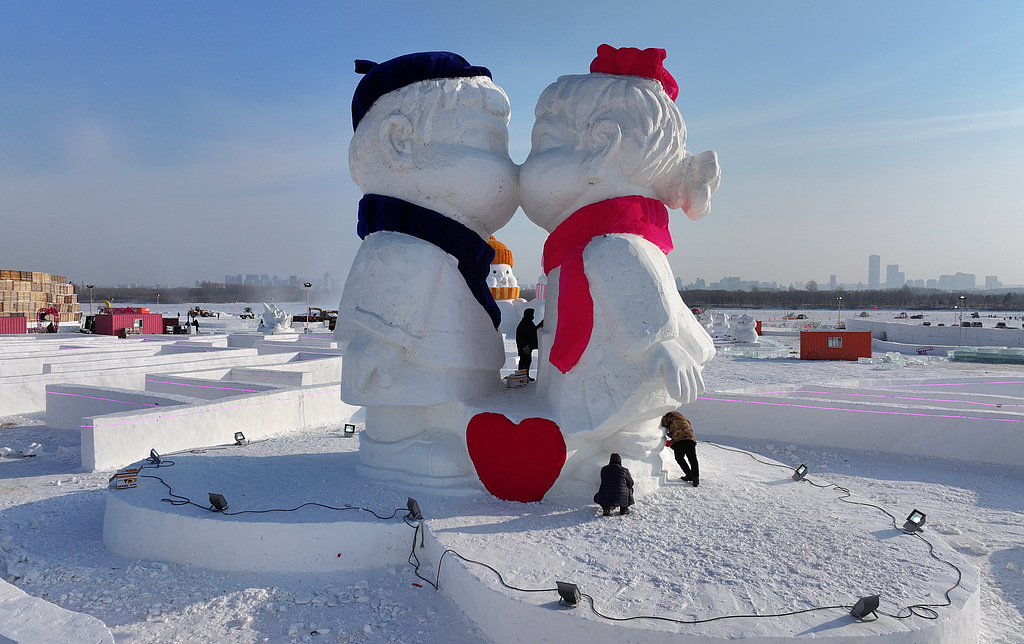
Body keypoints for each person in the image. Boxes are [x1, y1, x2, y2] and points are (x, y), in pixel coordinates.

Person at [662, 411, 698, 486]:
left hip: (680, 439)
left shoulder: (670, 415)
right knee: (692, 458)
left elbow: (664, 423)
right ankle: (695, 478)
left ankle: (689, 474)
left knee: (679, 458)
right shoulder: (683, 418)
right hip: (691, 438)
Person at [515, 309, 542, 374]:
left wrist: (540, 324)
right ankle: (521, 376)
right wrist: (525, 346)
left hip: (527, 347)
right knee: (524, 362)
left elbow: (533, 330)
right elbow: (521, 337)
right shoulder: (523, 324)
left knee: (527, 361)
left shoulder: (528, 322)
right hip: (524, 348)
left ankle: (525, 376)